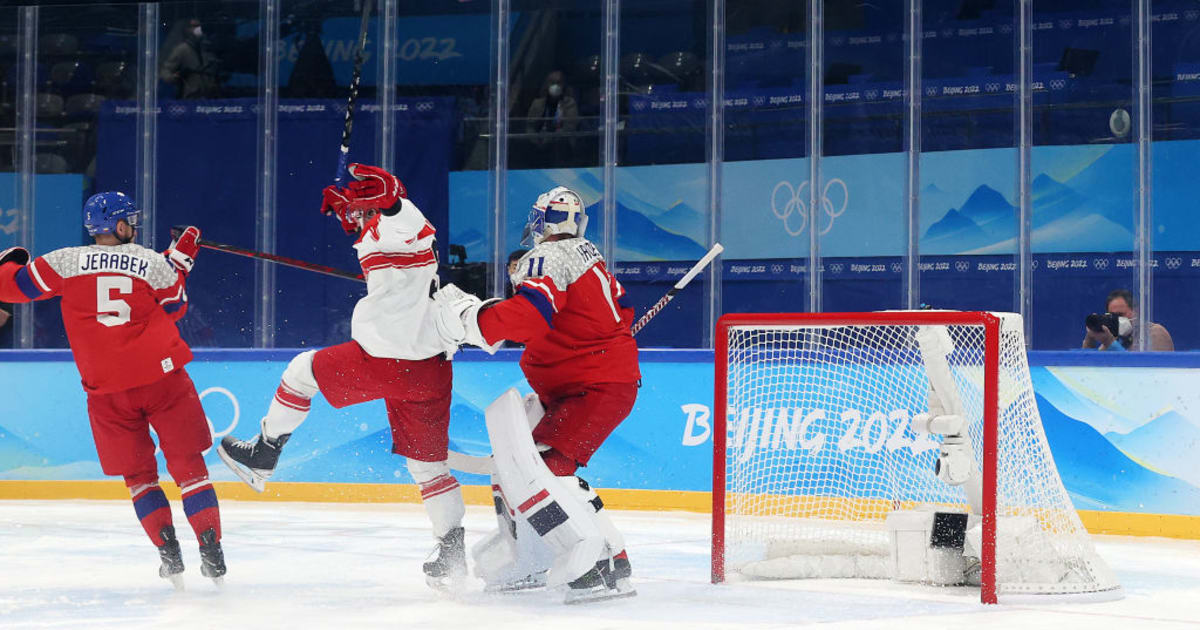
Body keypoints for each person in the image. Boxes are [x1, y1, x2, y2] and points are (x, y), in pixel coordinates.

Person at [216, 164, 468, 590]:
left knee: (301, 372)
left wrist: (390, 200)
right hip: (429, 371)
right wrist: (351, 211)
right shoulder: (380, 238)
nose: (361, 216)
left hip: (386, 360)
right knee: (428, 467)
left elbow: (406, 223)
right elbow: (378, 237)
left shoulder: (406, 224)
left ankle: (265, 452)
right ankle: (452, 551)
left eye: (367, 208)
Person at [0, 192, 224, 588]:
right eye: (130, 221)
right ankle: (211, 548)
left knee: (139, 478)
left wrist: (12, 258)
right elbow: (175, 307)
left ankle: (167, 551)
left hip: (107, 394)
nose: (134, 227)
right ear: (119, 226)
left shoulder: (65, 261)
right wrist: (180, 261)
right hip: (163, 379)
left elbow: (12, 289)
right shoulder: (151, 262)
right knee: (189, 468)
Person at [433, 186, 640, 604]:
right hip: (585, 385)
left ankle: (602, 564)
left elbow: (528, 317)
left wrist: (472, 319)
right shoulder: (584, 255)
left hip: (591, 388)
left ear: (543, 220)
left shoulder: (550, 256)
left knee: (548, 471)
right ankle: (561, 559)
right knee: (533, 468)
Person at [1082, 288, 1174, 352]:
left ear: (1136, 311)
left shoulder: (1155, 333)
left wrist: (1109, 342)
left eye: (1120, 314)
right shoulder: (1113, 340)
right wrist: (1090, 340)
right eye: (1112, 316)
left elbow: (1148, 371)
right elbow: (1089, 370)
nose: (1117, 319)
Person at [160, 18, 220, 99]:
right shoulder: (182, 49)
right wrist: (175, 77)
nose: (198, 29)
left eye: (199, 26)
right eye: (194, 26)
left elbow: (214, 69)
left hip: (209, 98)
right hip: (190, 98)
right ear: (187, 29)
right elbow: (165, 71)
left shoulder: (207, 48)